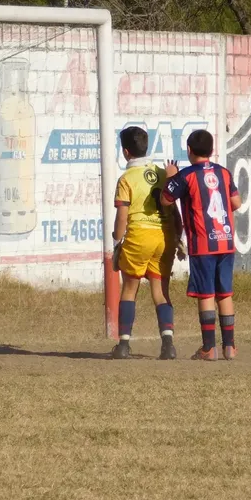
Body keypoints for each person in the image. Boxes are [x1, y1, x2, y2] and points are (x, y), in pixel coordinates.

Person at [160, 130, 242, 361]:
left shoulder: (186, 176)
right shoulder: (223, 173)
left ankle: (209, 348)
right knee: (224, 293)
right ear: (211, 150)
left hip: (203, 243)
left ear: (188, 150)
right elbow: (237, 202)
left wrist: (170, 177)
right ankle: (230, 347)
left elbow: (165, 199)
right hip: (225, 242)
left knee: (206, 294)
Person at [110, 126, 181, 361]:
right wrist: (179, 236)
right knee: (161, 292)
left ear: (126, 152)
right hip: (164, 235)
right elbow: (173, 206)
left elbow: (122, 216)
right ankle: (168, 345)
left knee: (130, 289)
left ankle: (123, 345)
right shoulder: (162, 173)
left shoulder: (126, 178)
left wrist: (116, 239)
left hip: (139, 236)